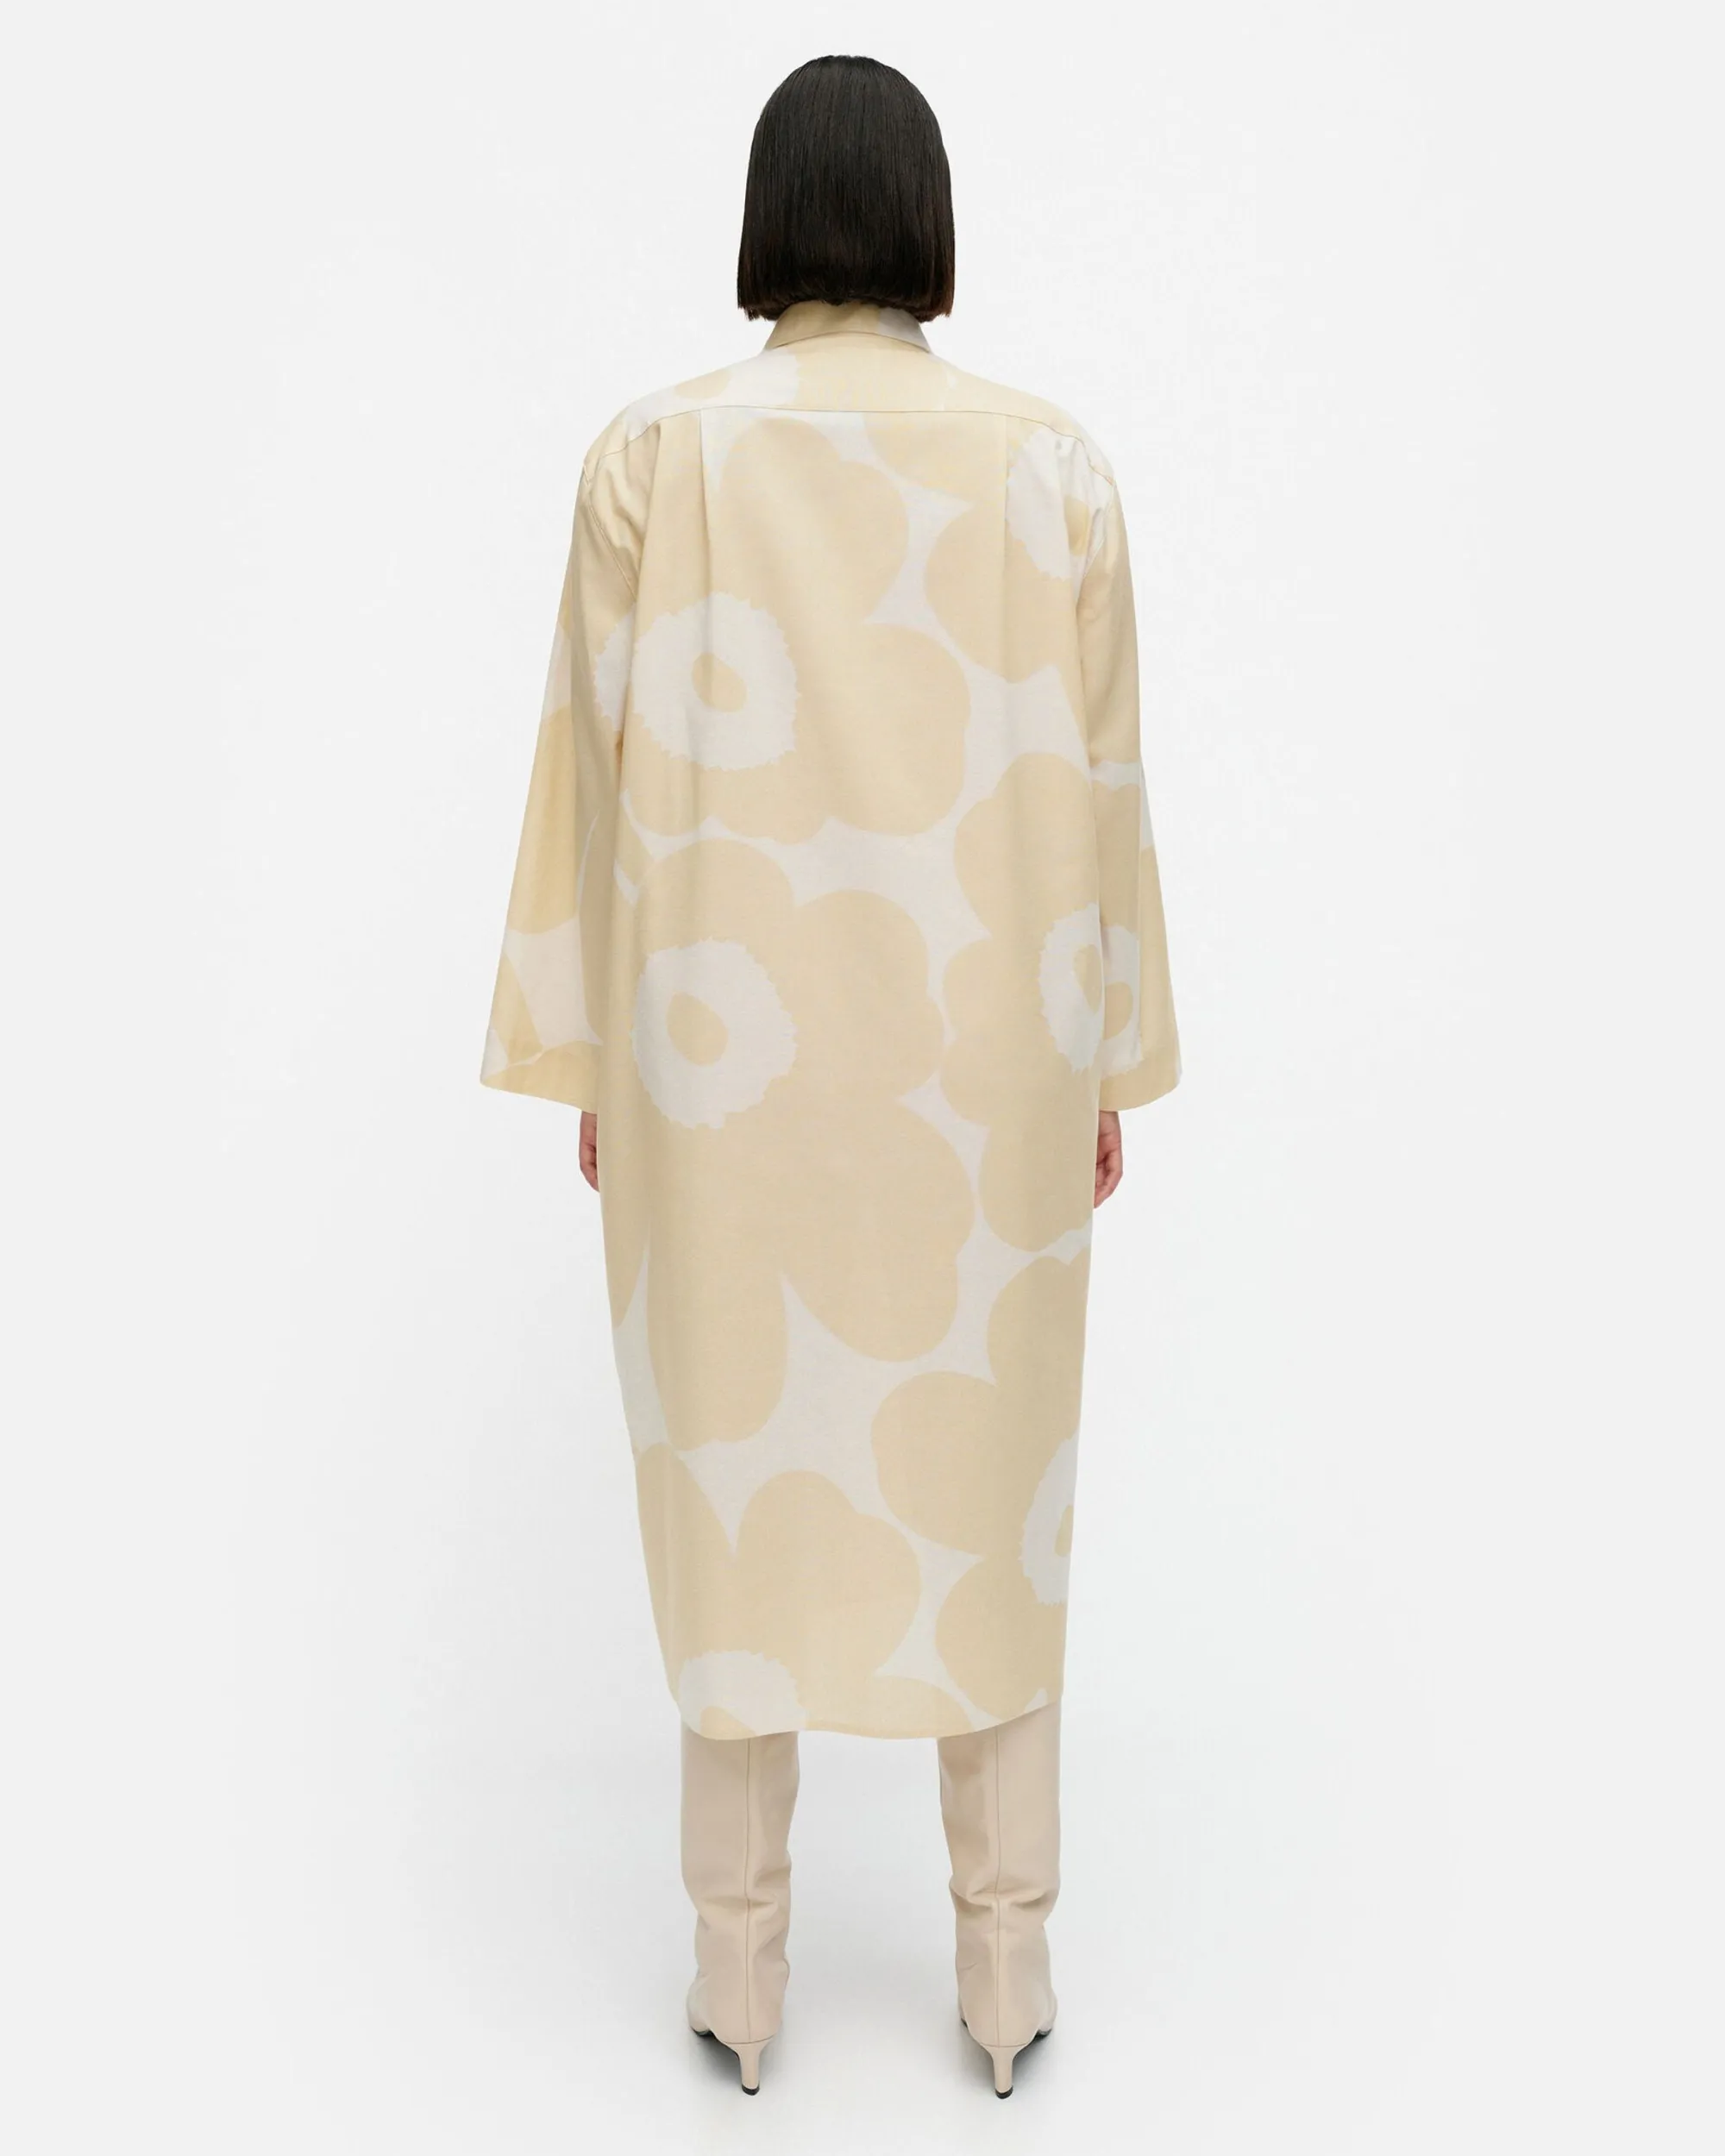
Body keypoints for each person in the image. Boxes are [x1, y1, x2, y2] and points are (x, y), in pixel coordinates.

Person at [480, 53, 1180, 2097]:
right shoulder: (1053, 467)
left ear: (770, 221)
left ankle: (739, 1974)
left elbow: (589, 772)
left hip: (726, 1061)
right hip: (984, 1064)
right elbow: (1107, 786)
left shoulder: (655, 457)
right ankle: (1005, 1972)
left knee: (735, 1482)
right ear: (928, 224)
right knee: (993, 1488)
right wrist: (1105, 1053)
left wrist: (593, 1051)